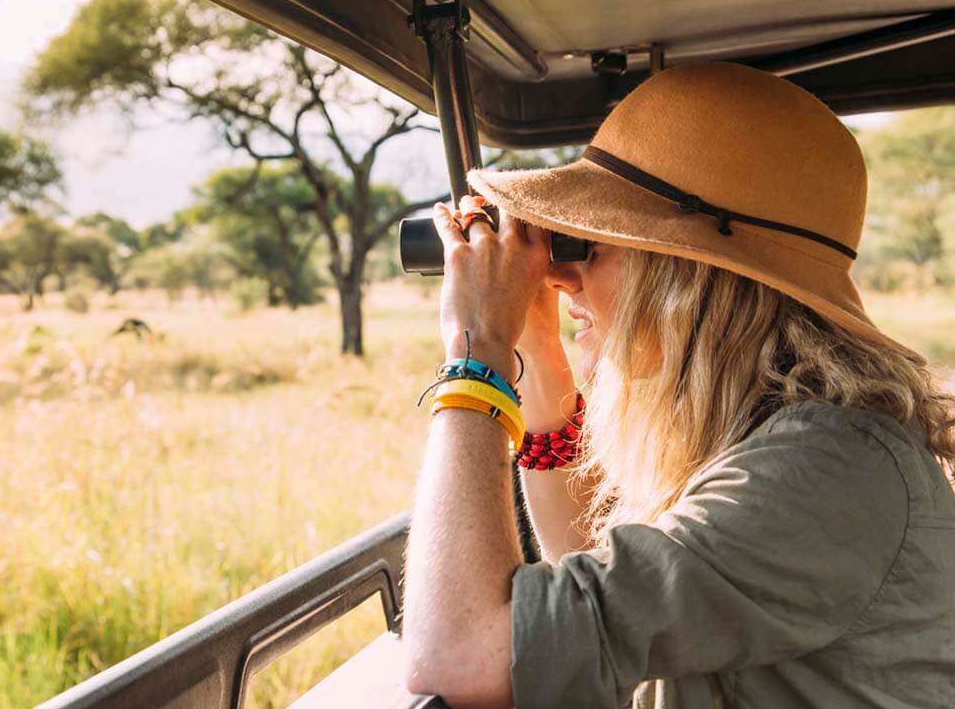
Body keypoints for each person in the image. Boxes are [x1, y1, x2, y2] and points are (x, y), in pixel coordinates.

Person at [401, 62, 955, 709]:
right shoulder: (783, 436)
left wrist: (476, 350)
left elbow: (463, 655)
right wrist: (537, 351)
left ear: (688, 276)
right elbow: (591, 566)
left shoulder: (824, 469)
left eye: (589, 244)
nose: (561, 276)